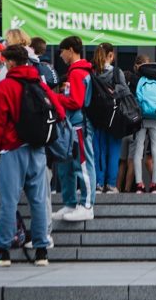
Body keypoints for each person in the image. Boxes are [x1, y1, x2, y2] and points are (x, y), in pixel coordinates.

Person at [0, 45, 66, 267]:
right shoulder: (38, 83)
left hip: (12, 150)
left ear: (10, 62)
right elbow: (59, 111)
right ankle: (41, 252)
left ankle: (3, 252)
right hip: (37, 150)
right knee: (39, 201)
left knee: (9, 201)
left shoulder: (5, 86)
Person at [52, 36, 96, 221]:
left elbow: (76, 101)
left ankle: (86, 205)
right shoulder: (80, 71)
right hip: (76, 125)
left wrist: (56, 98)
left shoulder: (77, 73)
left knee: (82, 165)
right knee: (70, 165)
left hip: (78, 125)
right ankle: (72, 204)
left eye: (62, 51)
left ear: (70, 50)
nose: (60, 55)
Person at [91, 43, 122, 193]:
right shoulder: (116, 72)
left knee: (98, 151)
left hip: (97, 118)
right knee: (114, 151)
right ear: (110, 55)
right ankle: (110, 184)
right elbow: (125, 92)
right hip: (115, 118)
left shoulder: (92, 73)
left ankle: (98, 182)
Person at [134, 57, 156, 193]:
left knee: (139, 149)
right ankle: (155, 184)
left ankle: (139, 184)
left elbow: (138, 97)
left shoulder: (141, 80)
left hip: (143, 118)